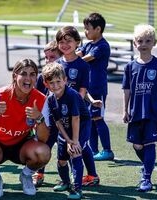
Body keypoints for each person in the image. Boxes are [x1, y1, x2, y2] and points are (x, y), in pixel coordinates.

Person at [0, 58, 51, 198]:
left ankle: (26, 176)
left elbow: (43, 139)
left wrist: (39, 118)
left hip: (22, 145)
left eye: (32, 74)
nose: (28, 78)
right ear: (15, 76)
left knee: (43, 152)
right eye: (24, 73)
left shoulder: (41, 99)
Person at [55, 26, 100, 188]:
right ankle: (79, 178)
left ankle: (77, 184)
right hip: (61, 117)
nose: (65, 45)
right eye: (61, 42)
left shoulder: (82, 66)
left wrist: (72, 106)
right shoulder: (56, 65)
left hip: (79, 116)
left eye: (69, 41)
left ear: (77, 43)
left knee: (76, 148)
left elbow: (82, 91)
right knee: (74, 148)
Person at [42, 62, 92, 200]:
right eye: (51, 82)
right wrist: (67, 140)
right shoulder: (51, 99)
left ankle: (77, 189)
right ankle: (65, 182)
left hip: (80, 126)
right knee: (61, 160)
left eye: (58, 81)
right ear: (46, 84)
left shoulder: (72, 95)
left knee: (75, 152)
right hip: (65, 128)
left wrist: (74, 141)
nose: (55, 85)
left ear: (65, 80)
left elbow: (76, 118)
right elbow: (58, 122)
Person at [122, 24, 157, 192]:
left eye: (148, 40)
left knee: (150, 143)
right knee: (137, 145)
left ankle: (146, 178)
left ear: (154, 42)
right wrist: (125, 110)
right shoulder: (130, 67)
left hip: (153, 111)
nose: (144, 44)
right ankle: (146, 165)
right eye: (140, 41)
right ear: (134, 43)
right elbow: (127, 89)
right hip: (135, 112)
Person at [77, 12, 114, 161]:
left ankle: (107, 150)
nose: (85, 32)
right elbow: (78, 53)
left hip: (97, 88)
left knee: (98, 117)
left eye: (88, 28)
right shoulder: (88, 44)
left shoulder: (102, 45)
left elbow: (86, 58)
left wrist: (70, 60)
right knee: (90, 119)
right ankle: (94, 150)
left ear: (98, 29)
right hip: (87, 89)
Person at [33, 40, 61, 186]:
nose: (48, 60)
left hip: (63, 122)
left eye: (52, 57)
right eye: (46, 57)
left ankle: (67, 177)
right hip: (47, 122)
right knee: (43, 147)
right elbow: (36, 97)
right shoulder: (41, 77)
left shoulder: (63, 77)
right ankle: (39, 174)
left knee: (65, 151)